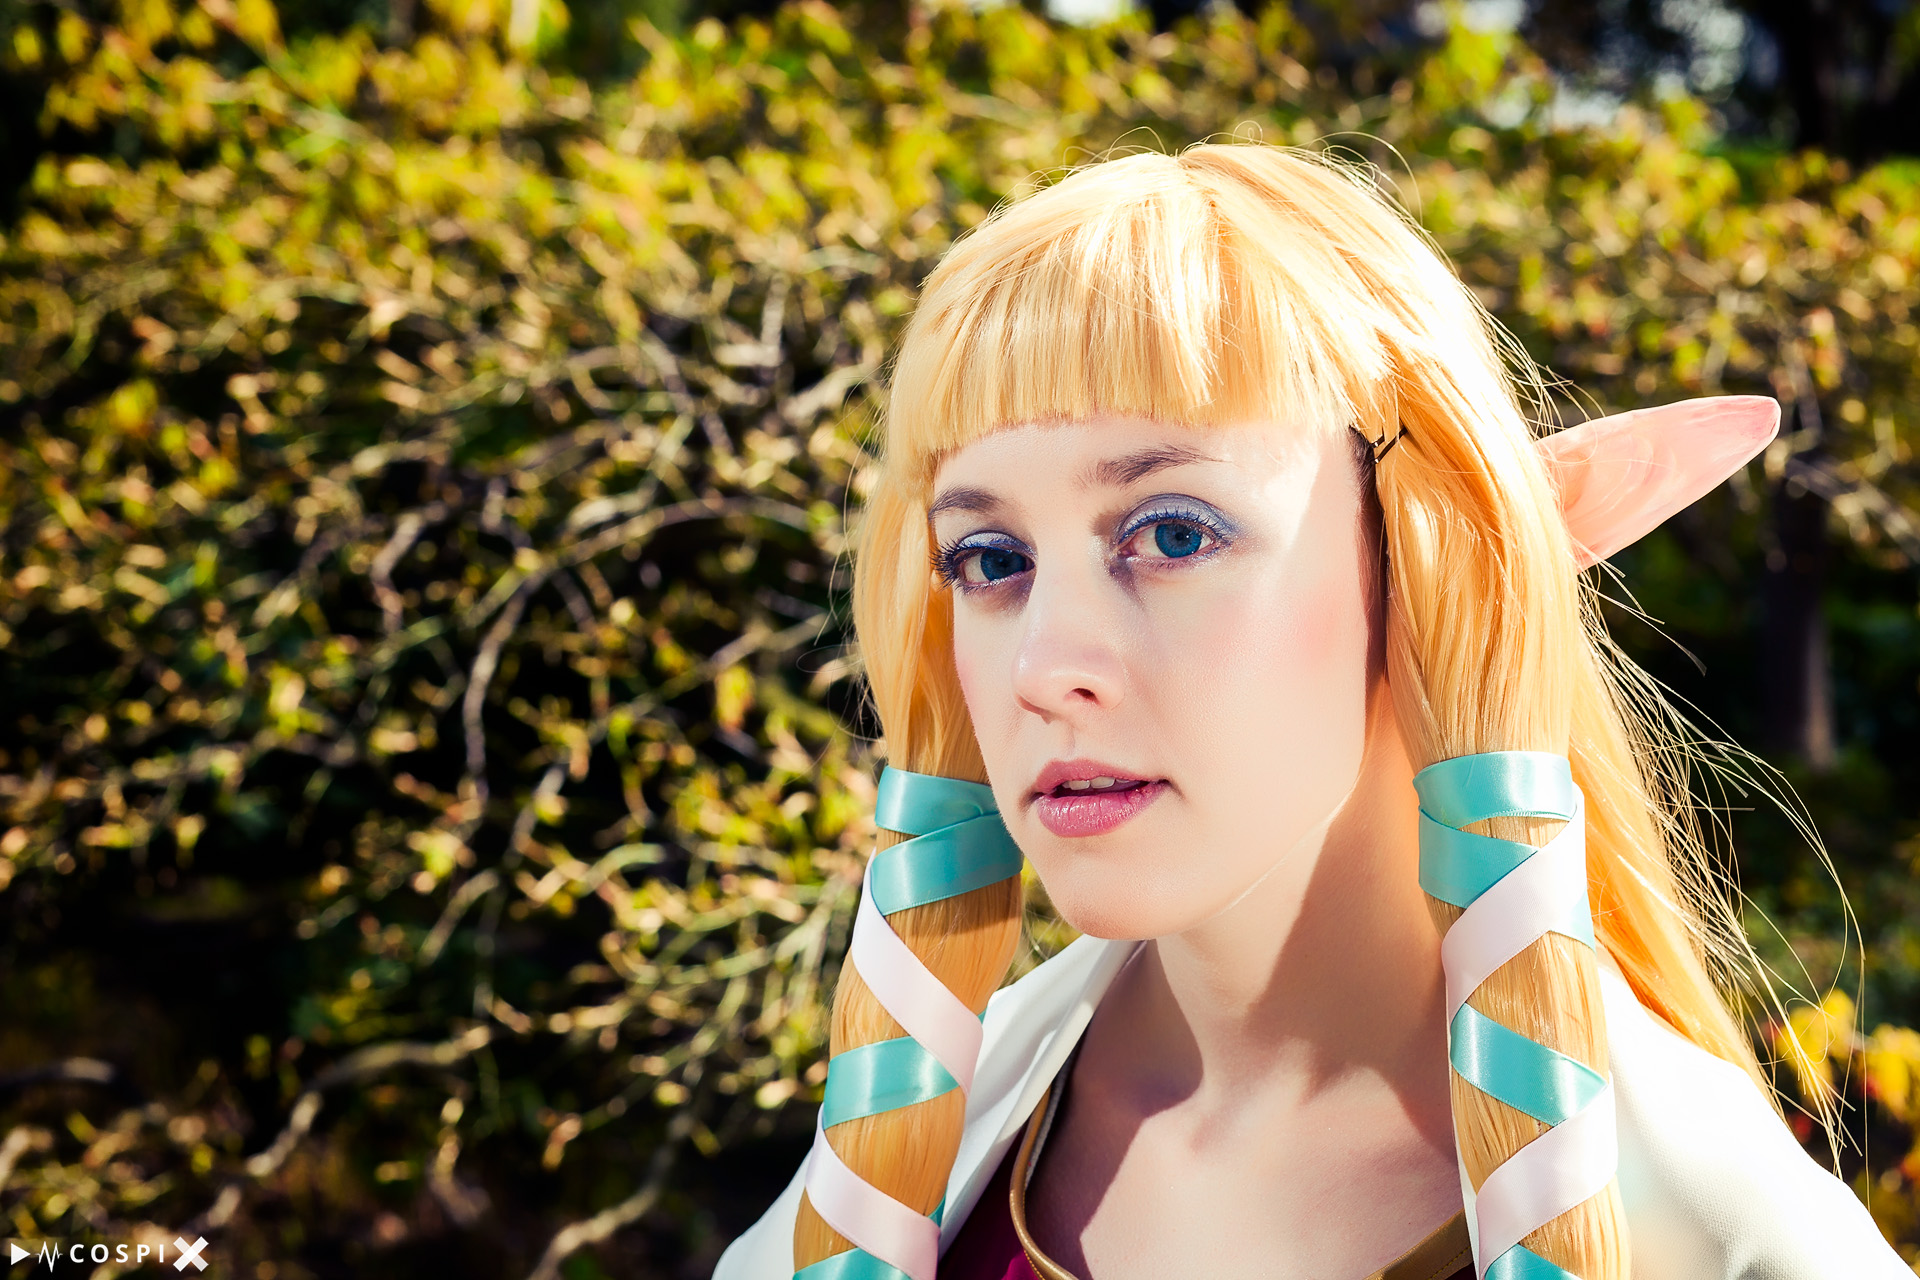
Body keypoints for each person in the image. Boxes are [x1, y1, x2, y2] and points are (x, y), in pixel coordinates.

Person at [714, 145, 1913, 1280]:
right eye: (988, 558)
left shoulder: (1723, 1229)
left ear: (1425, 567)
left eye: (1172, 533)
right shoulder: (908, 1152)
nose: (1043, 666)